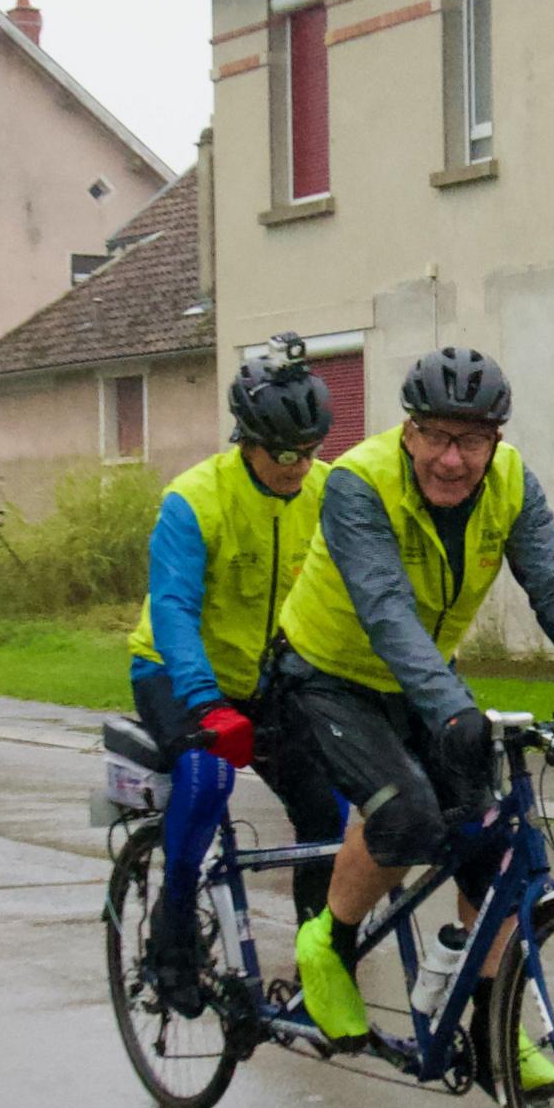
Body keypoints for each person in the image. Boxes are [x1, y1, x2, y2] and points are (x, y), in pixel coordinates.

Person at [268, 347, 554, 1078]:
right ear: (408, 432)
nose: (452, 459)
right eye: (435, 436)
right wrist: (455, 712)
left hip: (426, 683)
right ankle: (327, 944)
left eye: (471, 441)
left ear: (496, 440)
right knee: (405, 816)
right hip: (327, 678)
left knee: (491, 844)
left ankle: (492, 1026)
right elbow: (386, 610)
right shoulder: (359, 484)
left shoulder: (512, 483)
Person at [129, 354, 345, 974]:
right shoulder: (195, 499)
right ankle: (171, 931)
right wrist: (205, 701)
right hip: (173, 672)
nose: (299, 467)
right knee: (206, 778)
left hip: (267, 678)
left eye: (310, 450)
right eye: (283, 454)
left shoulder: (326, 493)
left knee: (326, 805)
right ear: (247, 442)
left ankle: (321, 954)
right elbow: (172, 609)